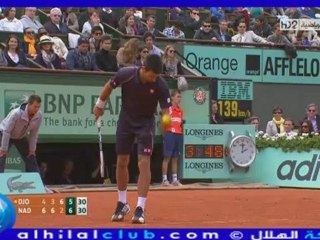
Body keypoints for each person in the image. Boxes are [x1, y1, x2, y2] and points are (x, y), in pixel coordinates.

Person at [93, 54, 171, 224]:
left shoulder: (160, 84)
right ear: (144, 69)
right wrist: (100, 105)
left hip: (146, 123)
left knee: (144, 162)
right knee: (122, 161)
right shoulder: (126, 74)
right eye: (152, 75)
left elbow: (166, 112)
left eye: (157, 76)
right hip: (126, 120)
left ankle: (140, 207)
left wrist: (166, 125)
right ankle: (122, 203)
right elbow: (109, 86)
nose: (154, 79)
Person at [0, 95, 42, 173]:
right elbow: (7, 131)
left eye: (38, 107)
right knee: (1, 157)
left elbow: (34, 133)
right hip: (4, 134)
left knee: (31, 157)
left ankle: (38, 182)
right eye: (35, 106)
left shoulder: (39, 116)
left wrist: (32, 149)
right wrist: (3, 149)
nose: (37, 109)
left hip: (20, 137)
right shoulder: (16, 113)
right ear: (29, 104)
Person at [161, 89, 183, 187]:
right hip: (169, 134)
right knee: (167, 157)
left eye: (180, 97)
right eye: (178, 97)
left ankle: (174, 179)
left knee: (175, 158)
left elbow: (180, 123)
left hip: (178, 135)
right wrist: (164, 134)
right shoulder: (168, 109)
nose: (179, 99)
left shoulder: (181, 110)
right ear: (172, 97)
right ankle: (164, 179)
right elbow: (163, 122)